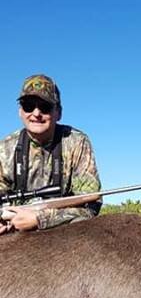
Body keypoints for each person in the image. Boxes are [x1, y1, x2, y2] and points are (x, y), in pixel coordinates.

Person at [0, 74, 101, 233]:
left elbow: (91, 206)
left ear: (58, 112)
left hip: (62, 233)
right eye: (28, 106)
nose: (36, 113)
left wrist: (40, 219)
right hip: (13, 231)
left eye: (45, 106)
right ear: (20, 111)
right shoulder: (5, 148)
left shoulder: (76, 142)